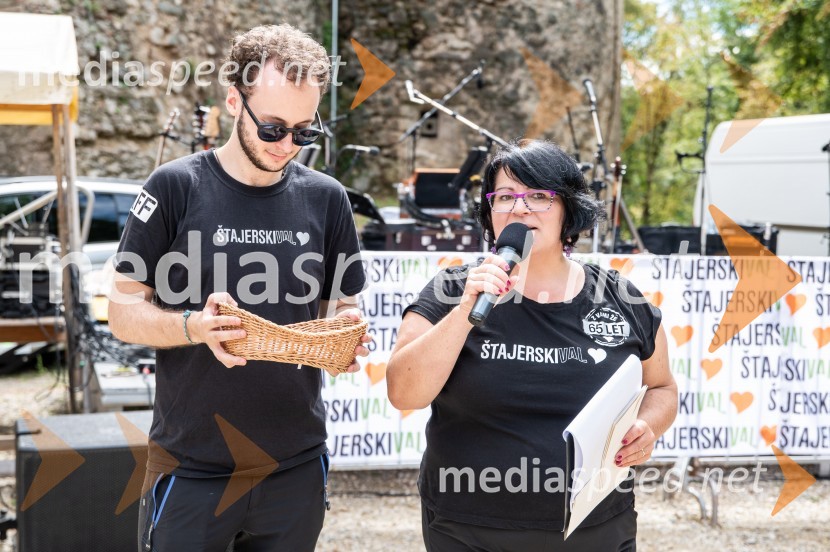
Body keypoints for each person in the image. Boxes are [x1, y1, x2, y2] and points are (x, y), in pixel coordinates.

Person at [108, 24, 370, 552]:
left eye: (304, 132)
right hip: (193, 467)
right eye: (273, 128)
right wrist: (193, 326)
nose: (287, 145)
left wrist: (345, 332)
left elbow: (345, 301)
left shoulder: (327, 198)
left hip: (295, 464)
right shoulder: (175, 186)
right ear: (234, 101)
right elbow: (120, 308)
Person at [387, 140, 677, 551]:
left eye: (538, 196)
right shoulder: (452, 291)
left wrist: (649, 426)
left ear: (568, 211)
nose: (520, 208)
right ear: (490, 212)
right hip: (470, 531)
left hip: (595, 527)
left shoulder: (620, 298)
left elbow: (663, 387)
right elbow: (403, 393)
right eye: (505, 196)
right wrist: (467, 309)